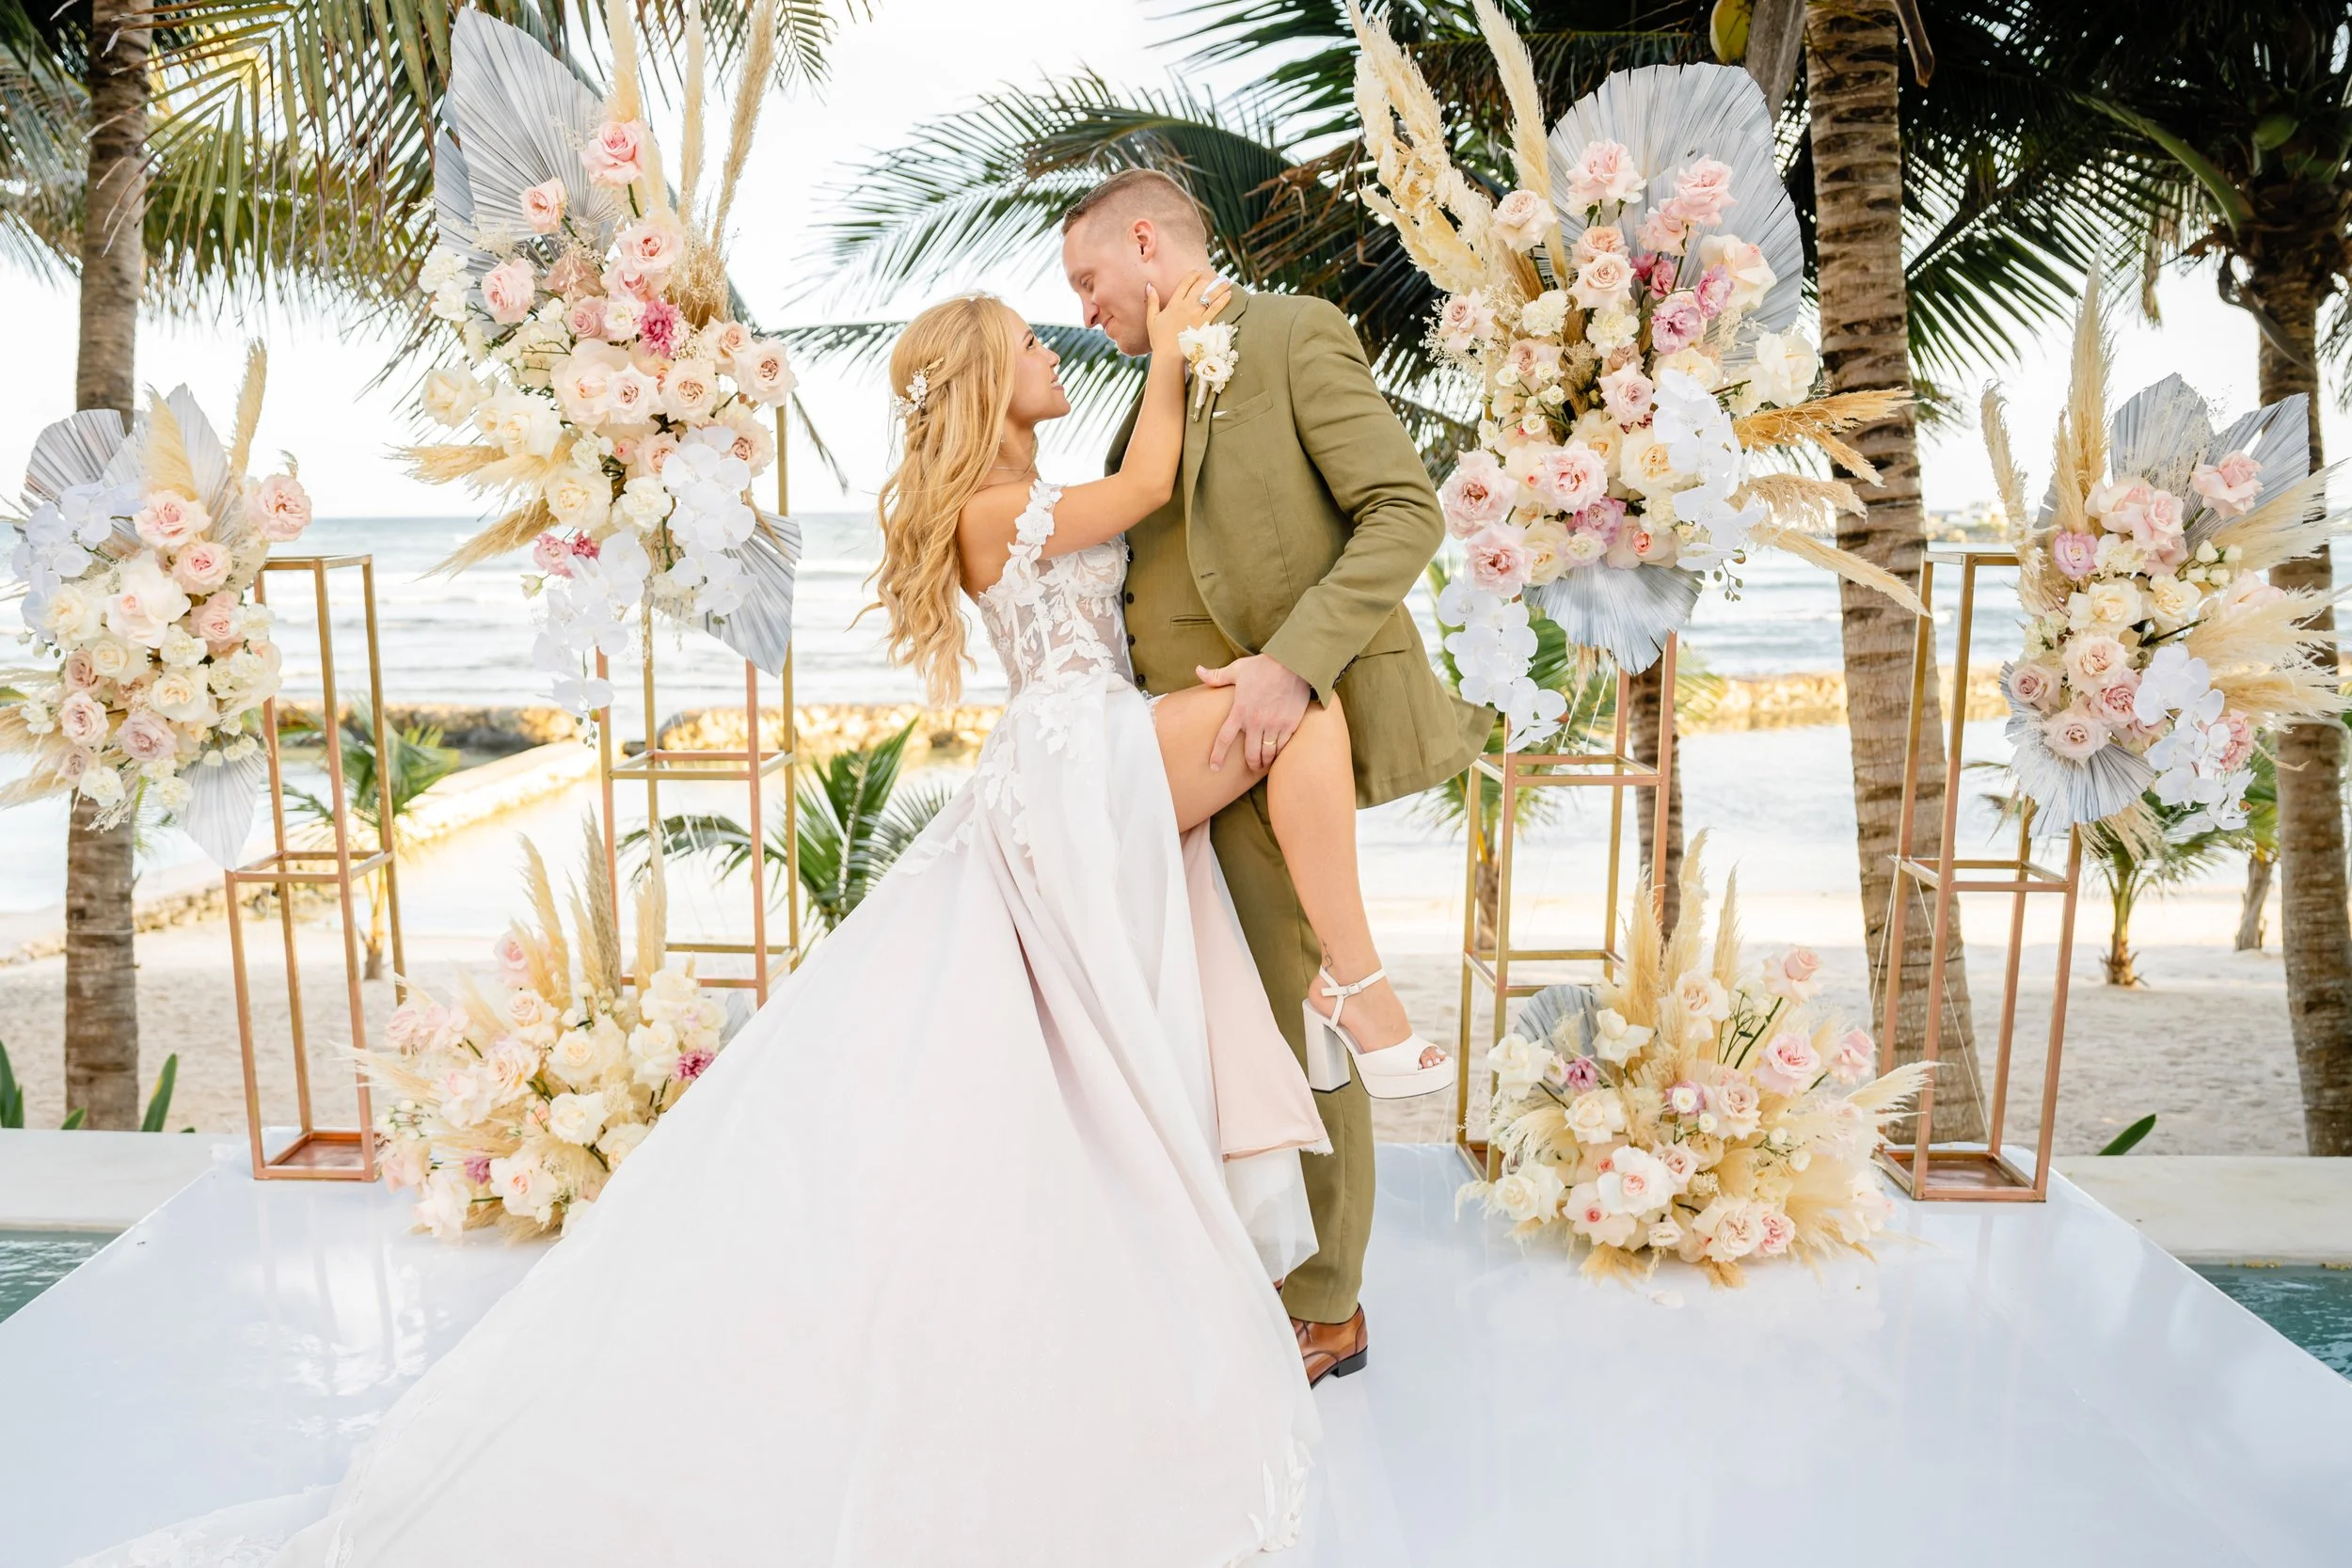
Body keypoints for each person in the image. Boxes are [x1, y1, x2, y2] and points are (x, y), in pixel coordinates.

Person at [70, 276, 1431, 1568]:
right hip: (1076, 757)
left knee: (1156, 934)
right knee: (1289, 718)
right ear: (986, 383)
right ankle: (1357, 989)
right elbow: (1141, 487)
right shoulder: (989, 506)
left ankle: (1339, 997)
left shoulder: (1019, 491)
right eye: (1026, 343)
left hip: (1090, 749)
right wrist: (1185, 341)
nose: (1046, 358)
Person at [1062, 169, 1491, 1384]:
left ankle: (1329, 1304)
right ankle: (1266, 1264)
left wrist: (1292, 672)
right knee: (1238, 1020)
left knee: (1303, 1007)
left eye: (1090, 281)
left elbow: (1405, 510)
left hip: (1272, 736)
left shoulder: (1296, 333)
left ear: (1146, 244)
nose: (1088, 310)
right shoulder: (1144, 394)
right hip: (1184, 754)